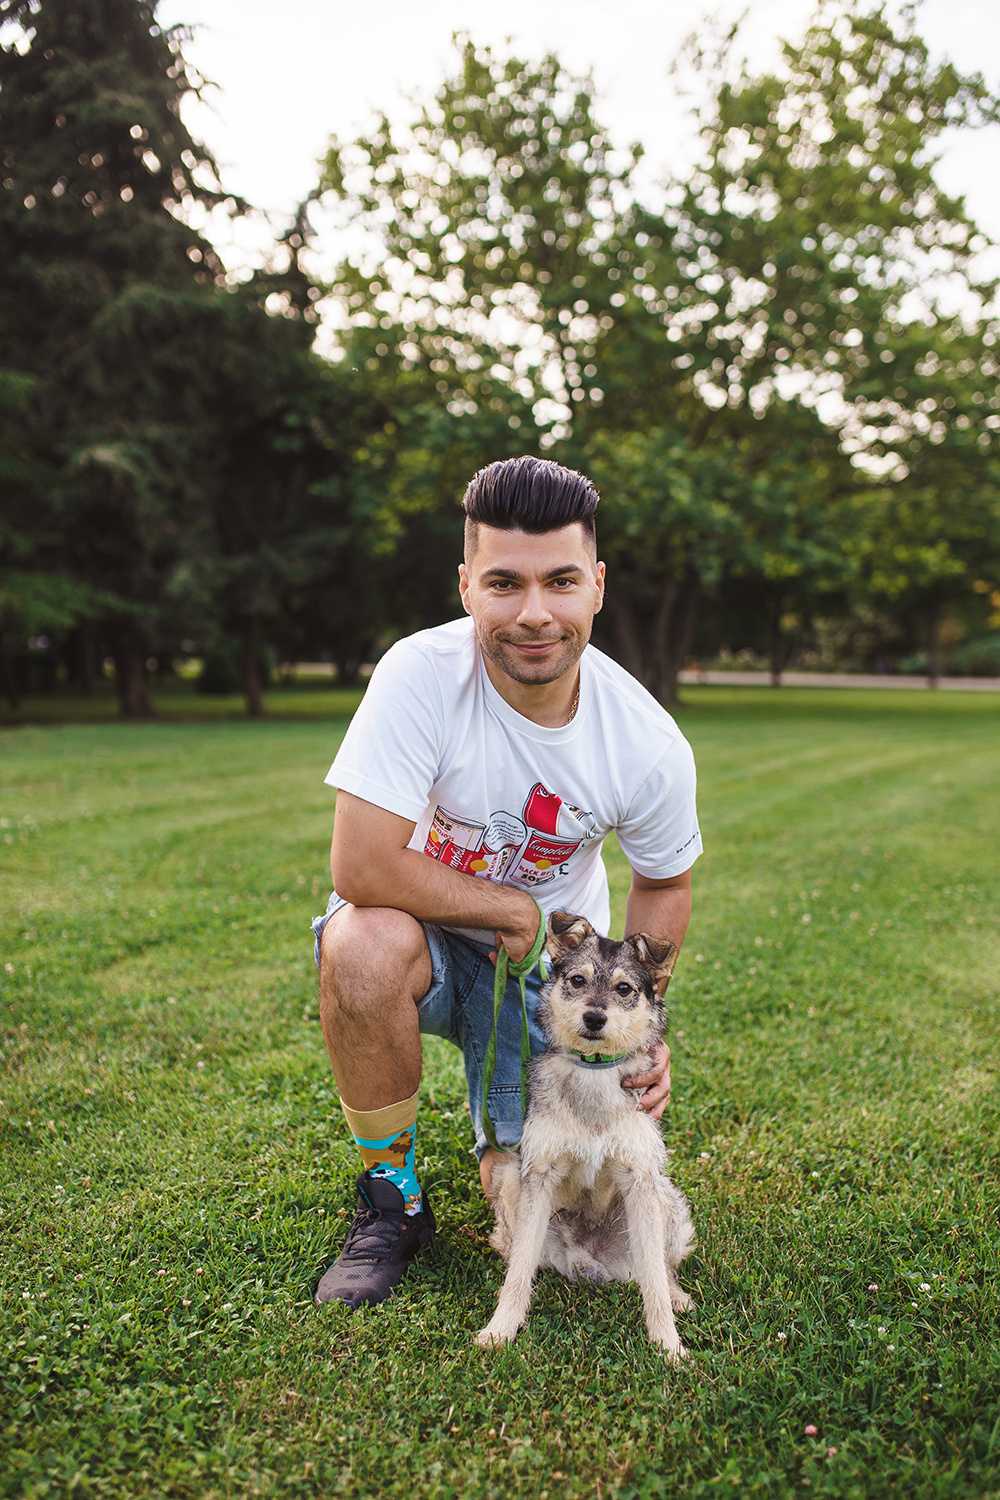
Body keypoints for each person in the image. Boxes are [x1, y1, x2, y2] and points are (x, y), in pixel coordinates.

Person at [310, 455, 702, 1310]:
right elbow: (363, 866)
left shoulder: (645, 740)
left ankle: (493, 1154)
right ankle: (392, 1200)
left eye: (561, 581)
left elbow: (662, 884)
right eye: (504, 583)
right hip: (426, 937)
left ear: (597, 586)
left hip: (547, 982)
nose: (534, 614)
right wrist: (510, 906)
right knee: (362, 940)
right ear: (465, 587)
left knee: (527, 1192)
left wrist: (642, 1022)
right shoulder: (417, 676)